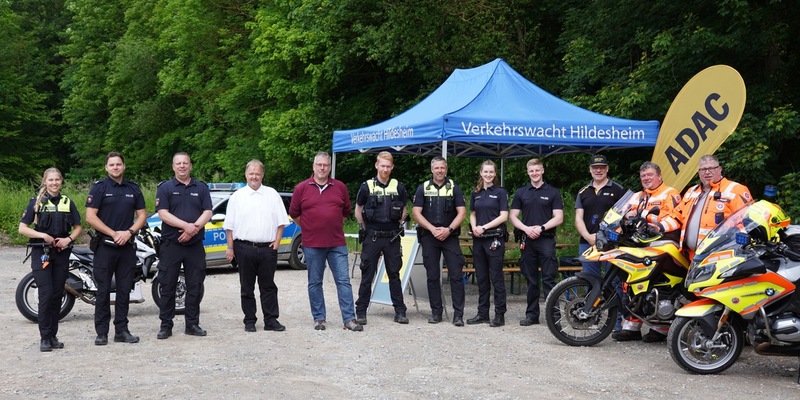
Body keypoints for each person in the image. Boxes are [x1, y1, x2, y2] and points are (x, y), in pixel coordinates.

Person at [289, 152, 362, 332]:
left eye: (326, 165)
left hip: (337, 243)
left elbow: (345, 211)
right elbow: (294, 213)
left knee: (343, 281)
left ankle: (349, 319)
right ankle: (319, 318)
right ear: (313, 166)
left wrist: (331, 223)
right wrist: (309, 226)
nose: (322, 168)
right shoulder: (301, 188)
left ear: (330, 167)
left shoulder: (340, 187)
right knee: (315, 282)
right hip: (312, 244)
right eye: (319, 164)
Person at [612, 161, 682, 342]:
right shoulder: (636, 196)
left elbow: (675, 218)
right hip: (638, 245)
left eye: (650, 175)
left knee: (658, 283)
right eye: (643, 176)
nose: (646, 178)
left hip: (663, 243)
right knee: (631, 282)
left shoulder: (670, 193)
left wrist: (657, 226)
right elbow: (623, 215)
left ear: (659, 176)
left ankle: (661, 327)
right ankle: (631, 326)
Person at [85, 152, 147, 345]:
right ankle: (101, 332)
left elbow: (142, 216)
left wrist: (128, 232)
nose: (115, 167)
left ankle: (122, 330)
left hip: (127, 246)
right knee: (103, 290)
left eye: (118, 164)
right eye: (111, 165)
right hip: (105, 246)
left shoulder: (133, 188)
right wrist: (113, 233)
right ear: (106, 167)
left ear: (124, 166)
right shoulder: (99, 188)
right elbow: (90, 217)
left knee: (124, 290)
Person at [18, 168, 82, 352]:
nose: (54, 183)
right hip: (42, 252)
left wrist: (68, 239)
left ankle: (53, 336)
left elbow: (78, 227)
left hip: (61, 253)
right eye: (51, 180)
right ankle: (44, 337)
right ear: (45, 181)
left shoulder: (67, 202)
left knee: (56, 295)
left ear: (61, 181)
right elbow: (22, 228)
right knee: (46, 294)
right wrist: (43, 235)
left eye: (57, 180)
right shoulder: (36, 203)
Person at [223, 160, 289, 332]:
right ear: (246, 174)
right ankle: (250, 320)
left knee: (268, 286)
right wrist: (230, 248)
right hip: (244, 248)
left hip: (268, 248)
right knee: (247, 287)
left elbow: (282, 221)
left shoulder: (272, 194)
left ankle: (271, 320)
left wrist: (277, 241)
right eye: (251, 173)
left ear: (262, 175)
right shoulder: (237, 197)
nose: (254, 177)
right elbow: (229, 226)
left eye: (257, 174)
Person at [154, 152, 212, 339]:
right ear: (173, 166)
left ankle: (192, 324)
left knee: (195, 285)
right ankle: (166, 325)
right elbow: (163, 213)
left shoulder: (201, 187)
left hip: (194, 245)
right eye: (178, 163)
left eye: (185, 163)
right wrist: (185, 226)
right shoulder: (165, 188)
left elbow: (207, 212)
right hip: (172, 245)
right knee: (168, 285)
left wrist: (193, 229)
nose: (182, 166)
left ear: (190, 165)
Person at [411, 156, 467, 326]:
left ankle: (458, 315)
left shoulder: (454, 188)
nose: (440, 171)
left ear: (446, 169)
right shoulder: (423, 188)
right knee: (432, 276)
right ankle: (436, 313)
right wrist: (432, 229)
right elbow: (416, 212)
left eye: (442, 168)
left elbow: (462, 212)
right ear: (431, 169)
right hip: (430, 236)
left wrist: (448, 229)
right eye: (436, 168)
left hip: (450, 236)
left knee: (456, 275)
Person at [354, 152, 409, 325]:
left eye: (388, 166)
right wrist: (367, 229)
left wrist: (398, 223)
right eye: (382, 165)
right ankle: (361, 311)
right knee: (367, 274)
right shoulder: (366, 186)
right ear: (376, 165)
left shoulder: (398, 186)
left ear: (392, 167)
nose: (385, 169)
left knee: (394, 274)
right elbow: (358, 210)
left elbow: (404, 210)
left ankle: (400, 311)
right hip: (373, 237)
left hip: (392, 237)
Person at [509, 158, 563, 326]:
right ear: (528, 172)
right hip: (528, 240)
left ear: (542, 171)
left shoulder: (553, 192)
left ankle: (554, 317)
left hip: (545, 239)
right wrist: (526, 229)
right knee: (531, 280)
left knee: (549, 279)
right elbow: (512, 216)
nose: (534, 173)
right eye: (531, 171)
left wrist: (541, 228)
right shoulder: (521, 192)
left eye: (537, 170)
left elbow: (559, 217)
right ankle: (532, 315)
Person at [672, 154, 752, 260]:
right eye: (703, 169)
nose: (707, 172)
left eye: (711, 168)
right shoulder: (692, 191)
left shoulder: (736, 189)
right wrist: (659, 226)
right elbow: (677, 215)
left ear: (719, 169)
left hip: (720, 255)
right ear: (699, 172)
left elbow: (748, 223)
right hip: (692, 256)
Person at [466, 160, 509, 327]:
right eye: (486, 172)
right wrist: (475, 227)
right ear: (481, 173)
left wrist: (484, 227)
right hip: (479, 240)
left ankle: (500, 314)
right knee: (482, 278)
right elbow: (472, 213)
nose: (488, 175)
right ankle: (482, 313)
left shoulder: (500, 192)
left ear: (495, 174)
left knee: (496, 277)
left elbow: (503, 216)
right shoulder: (475, 192)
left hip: (494, 239)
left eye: (491, 172)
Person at [574, 154, 626, 277]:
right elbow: (578, 218)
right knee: (589, 280)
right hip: (588, 242)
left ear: (607, 169)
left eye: (601, 167)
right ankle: (593, 297)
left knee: (614, 281)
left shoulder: (618, 189)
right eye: (595, 167)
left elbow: (624, 216)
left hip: (612, 242)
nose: (598, 170)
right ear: (590, 169)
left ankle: (614, 297)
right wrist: (588, 237)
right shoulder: (583, 191)